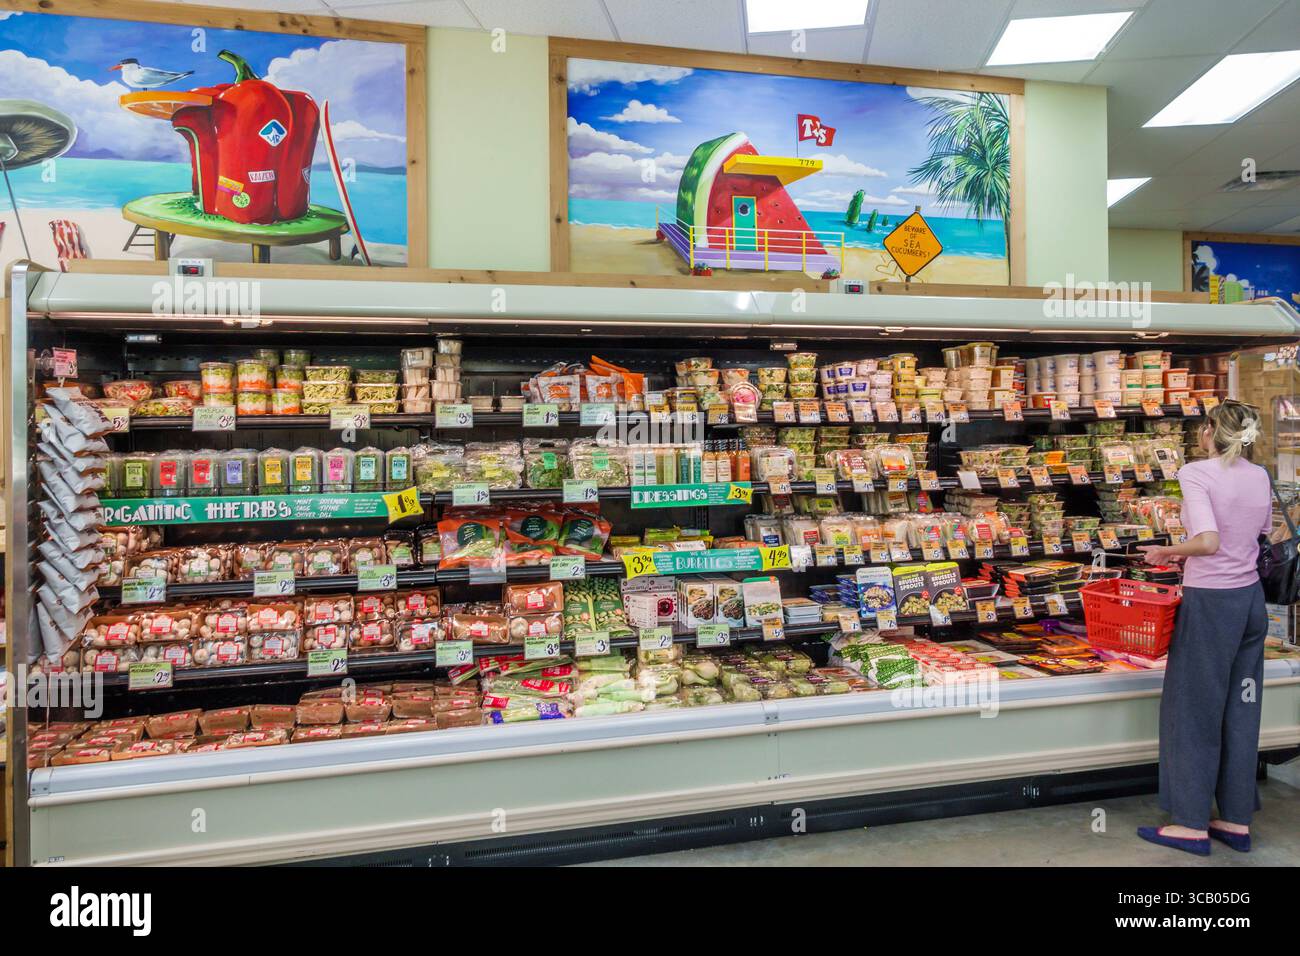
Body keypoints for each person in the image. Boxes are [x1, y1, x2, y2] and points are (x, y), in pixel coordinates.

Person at [1135, 400, 1273, 856]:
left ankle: (1191, 823)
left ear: (1212, 430)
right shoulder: (1260, 475)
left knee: (1193, 710)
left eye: (1203, 427)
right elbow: (1263, 534)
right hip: (1251, 603)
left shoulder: (1197, 472)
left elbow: (1209, 542)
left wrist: (1167, 552)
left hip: (1211, 603)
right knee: (1241, 707)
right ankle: (1234, 820)